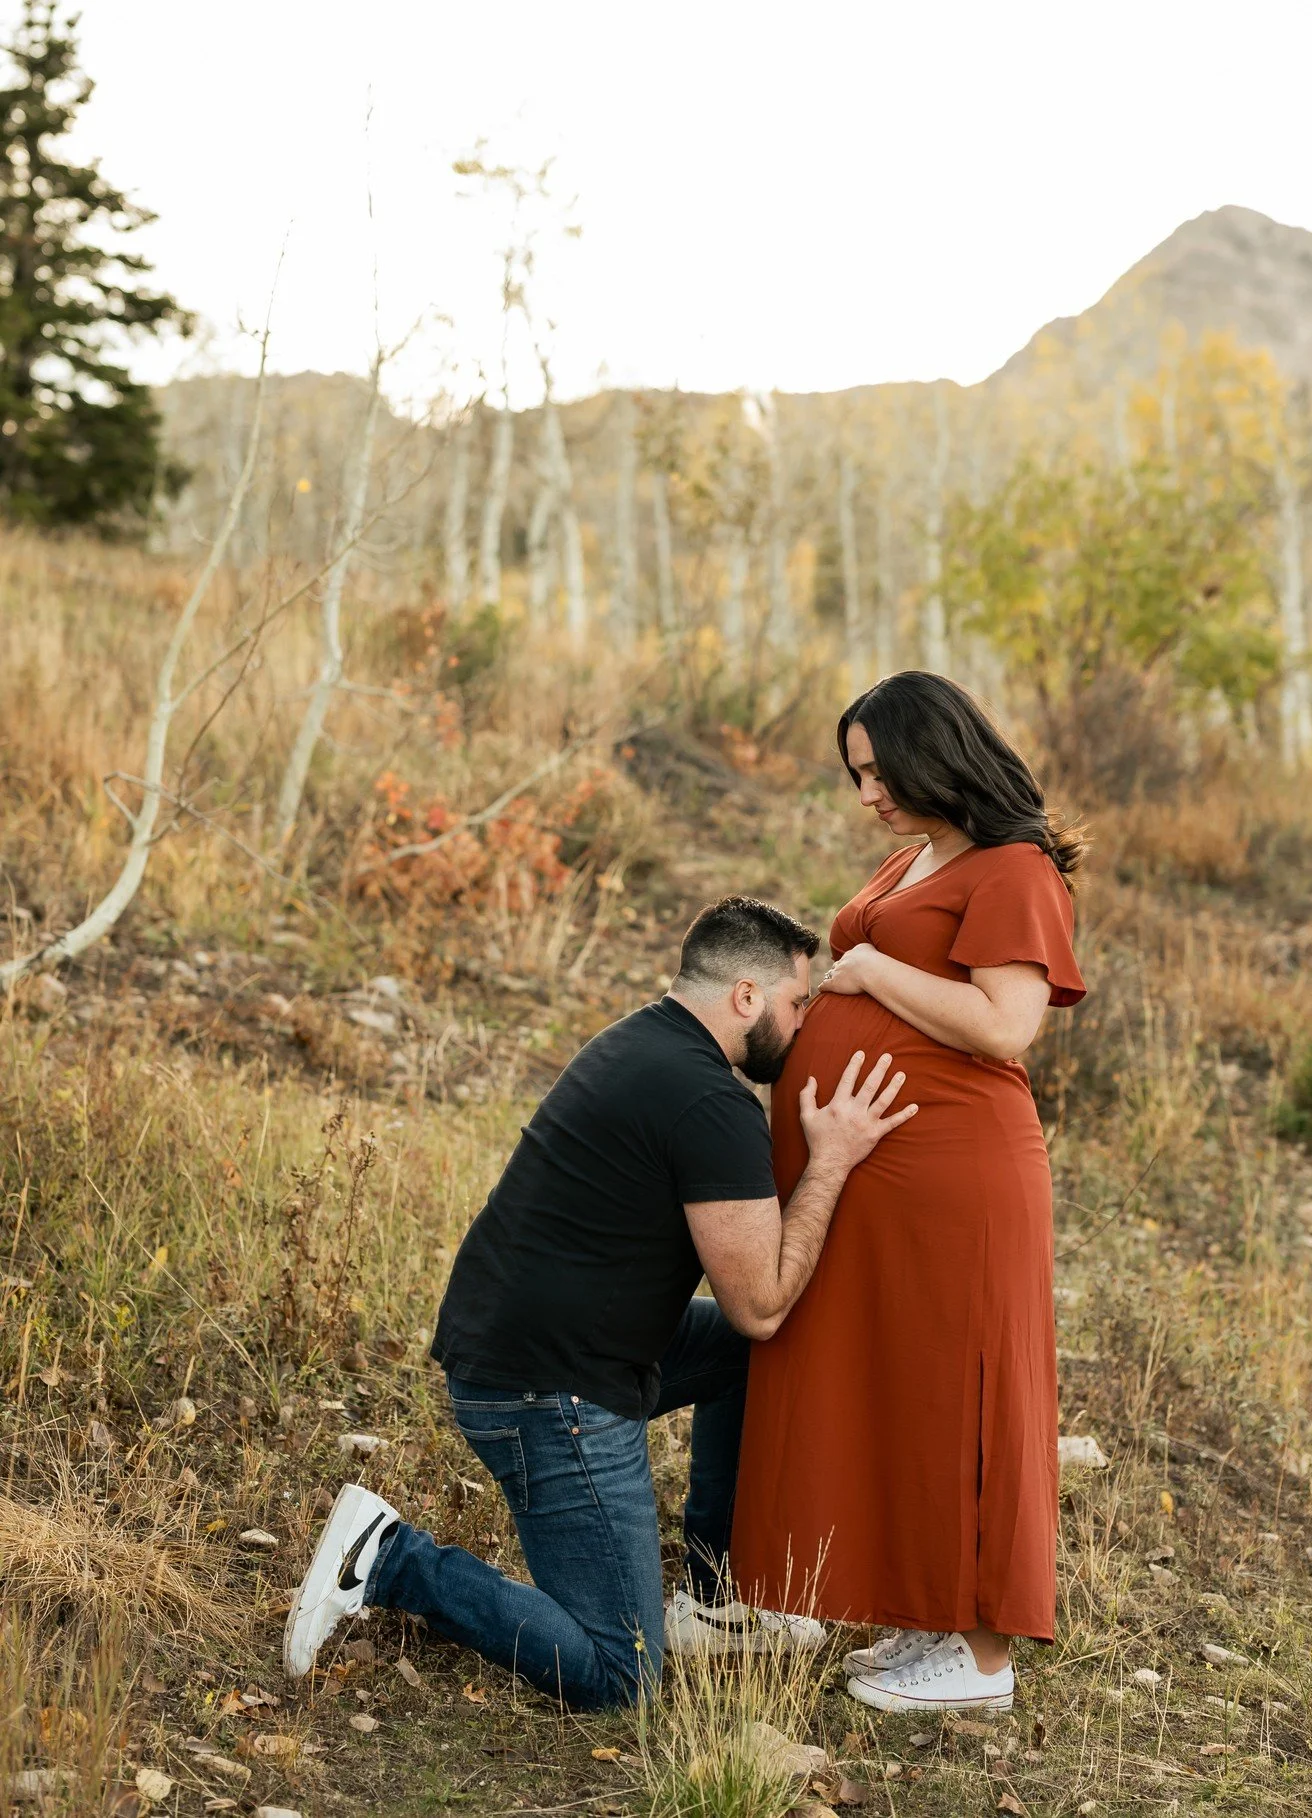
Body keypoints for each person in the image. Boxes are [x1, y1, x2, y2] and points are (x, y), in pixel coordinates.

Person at [283, 896, 917, 1709]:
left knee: (757, 1352)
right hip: (549, 1391)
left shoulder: (642, 1042)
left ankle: (716, 1597)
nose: (802, 1026)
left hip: (532, 1350)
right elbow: (760, 1301)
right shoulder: (709, 1103)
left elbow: (755, 1329)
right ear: (747, 997)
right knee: (620, 1676)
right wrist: (830, 1159)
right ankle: (390, 1558)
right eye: (799, 1004)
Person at [730, 671, 1087, 1713]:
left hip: (956, 1174)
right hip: (880, 1171)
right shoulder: (920, 857)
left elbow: (1006, 1025)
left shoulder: (1013, 868)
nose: (867, 795)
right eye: (856, 775)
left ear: (938, 755)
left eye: (880, 772)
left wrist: (871, 975)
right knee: (901, 1386)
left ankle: (982, 1657)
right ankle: (925, 1616)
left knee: (963, 1386)